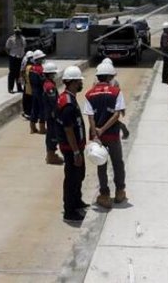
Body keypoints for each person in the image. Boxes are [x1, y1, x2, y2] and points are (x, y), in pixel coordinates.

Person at [85, 62, 128, 209]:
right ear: (110, 77)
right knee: (118, 163)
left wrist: (96, 133)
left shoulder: (89, 94)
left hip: (98, 138)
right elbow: (117, 114)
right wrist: (104, 129)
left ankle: (104, 194)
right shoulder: (116, 92)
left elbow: (90, 116)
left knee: (101, 165)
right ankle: (120, 191)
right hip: (113, 135)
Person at [56, 65, 89, 221]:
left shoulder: (69, 98)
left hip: (76, 147)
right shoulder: (67, 103)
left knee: (79, 175)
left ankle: (77, 201)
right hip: (71, 149)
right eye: (79, 81)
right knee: (72, 178)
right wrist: (76, 152)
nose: (81, 84)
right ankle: (70, 211)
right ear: (74, 82)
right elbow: (69, 130)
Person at [97, 58, 130, 139]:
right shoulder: (99, 81)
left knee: (111, 119)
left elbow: (118, 94)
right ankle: (121, 127)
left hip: (109, 103)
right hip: (105, 102)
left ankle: (118, 128)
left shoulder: (114, 82)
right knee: (108, 119)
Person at [41, 61, 64, 165]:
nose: (54, 75)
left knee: (51, 134)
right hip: (52, 114)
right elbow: (53, 102)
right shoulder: (50, 86)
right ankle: (51, 155)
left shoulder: (47, 84)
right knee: (53, 134)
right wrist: (57, 112)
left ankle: (50, 154)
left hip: (49, 113)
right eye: (53, 73)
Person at [29, 50, 47, 133]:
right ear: (38, 59)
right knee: (42, 109)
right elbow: (43, 81)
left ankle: (32, 127)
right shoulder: (40, 69)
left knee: (34, 109)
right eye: (41, 58)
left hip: (34, 91)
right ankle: (42, 128)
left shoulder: (31, 68)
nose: (43, 59)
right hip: (40, 91)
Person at [5, 26, 26, 93]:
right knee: (12, 73)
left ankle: (19, 88)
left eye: (19, 31)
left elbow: (24, 47)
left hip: (20, 57)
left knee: (19, 73)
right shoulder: (11, 39)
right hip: (13, 57)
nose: (18, 33)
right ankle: (10, 88)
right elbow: (7, 48)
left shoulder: (23, 39)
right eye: (16, 31)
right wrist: (11, 55)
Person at [21, 51, 34, 122]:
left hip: (29, 84)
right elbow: (22, 70)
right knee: (28, 98)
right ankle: (28, 112)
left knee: (28, 98)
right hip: (28, 84)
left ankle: (28, 112)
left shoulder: (31, 64)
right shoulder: (26, 61)